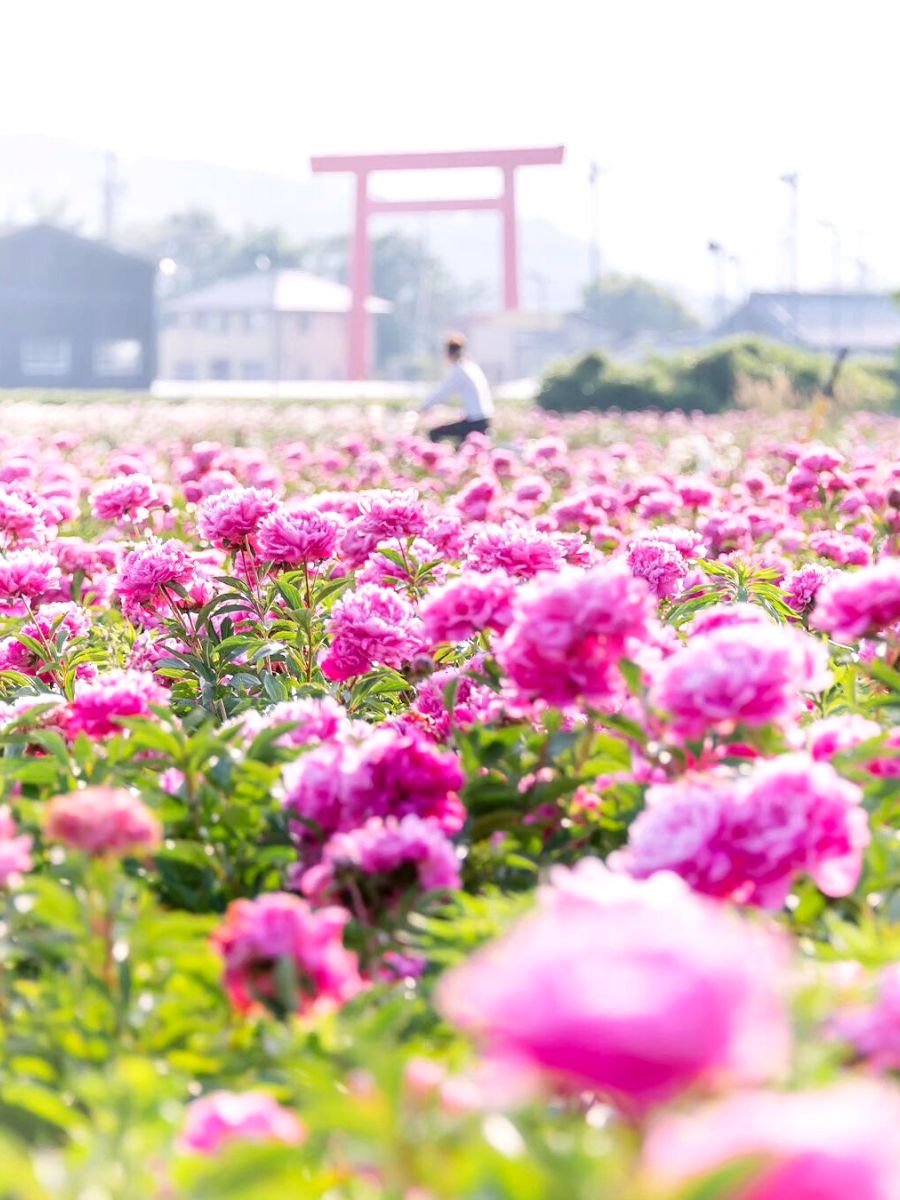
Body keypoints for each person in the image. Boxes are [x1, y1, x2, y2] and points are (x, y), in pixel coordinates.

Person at [420, 333, 493, 444]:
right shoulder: (472, 367)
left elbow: (442, 393)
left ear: (449, 353)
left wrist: (423, 407)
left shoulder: (460, 370)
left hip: (474, 422)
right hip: (485, 419)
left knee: (434, 433)